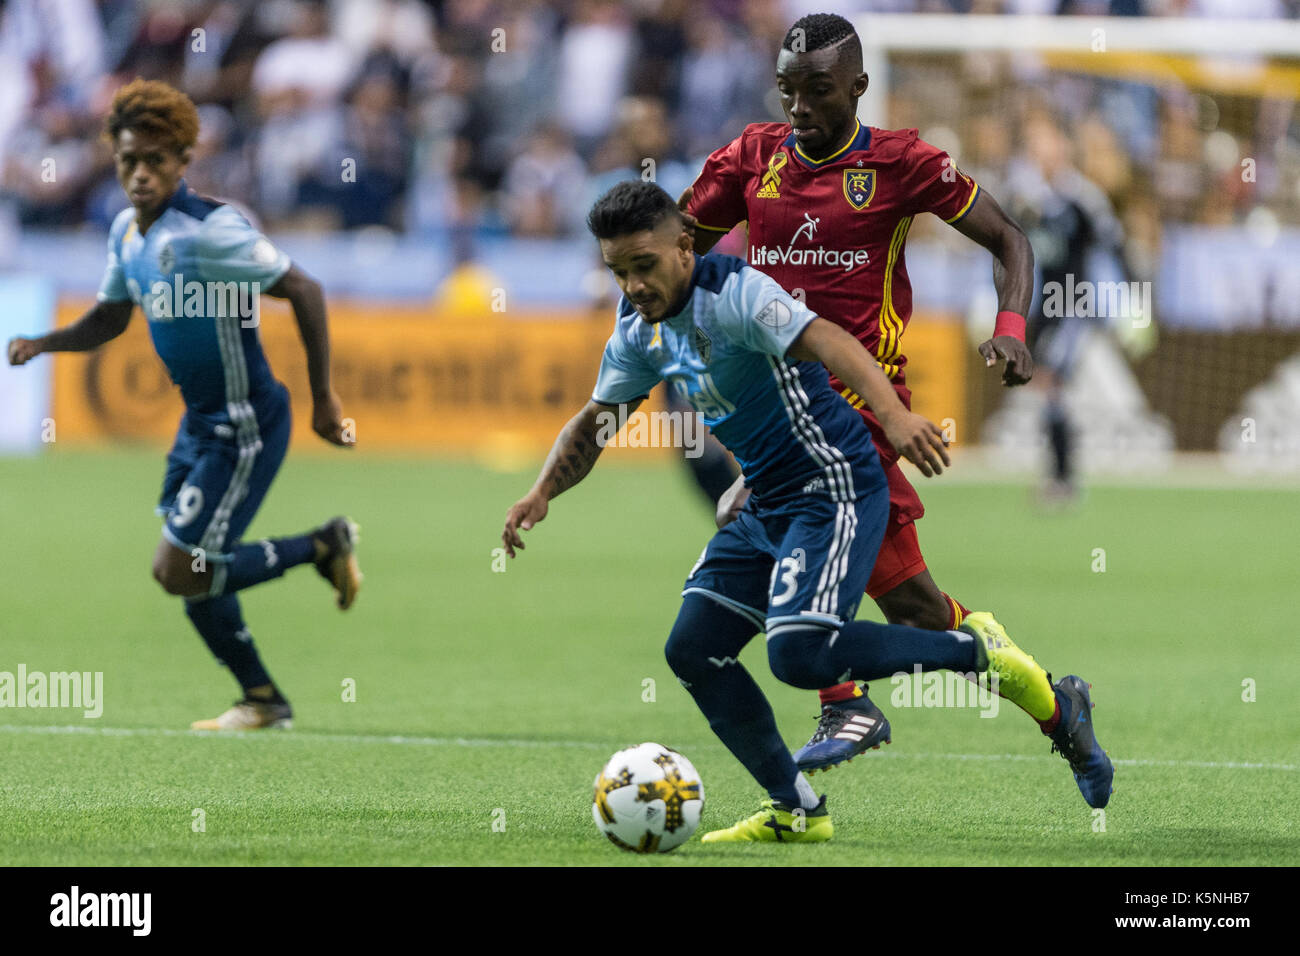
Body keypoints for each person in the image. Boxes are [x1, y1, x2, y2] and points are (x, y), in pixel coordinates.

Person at [501, 181, 1111, 843]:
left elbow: (830, 342)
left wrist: (895, 416)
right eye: (618, 272)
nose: (633, 286)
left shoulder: (735, 295)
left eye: (643, 267)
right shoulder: (638, 333)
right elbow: (596, 423)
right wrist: (540, 494)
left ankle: (971, 653)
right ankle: (797, 810)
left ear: (685, 246)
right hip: (767, 499)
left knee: (799, 655)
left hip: (835, 485)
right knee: (694, 649)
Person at [682, 12, 1082, 784]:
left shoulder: (901, 163)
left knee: (762, 544)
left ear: (859, 87)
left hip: (861, 416)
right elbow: (675, 244)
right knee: (916, 609)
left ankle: (841, 712)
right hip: (778, 413)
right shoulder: (750, 159)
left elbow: (1011, 240)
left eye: (818, 91)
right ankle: (1056, 709)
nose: (798, 108)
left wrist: (1011, 326)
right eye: (787, 90)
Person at [6, 79, 362, 731]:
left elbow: (305, 289)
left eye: (155, 161)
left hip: (246, 424)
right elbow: (112, 317)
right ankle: (262, 699)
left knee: (179, 568)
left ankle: (321, 547)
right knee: (194, 570)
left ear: (181, 161)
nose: (140, 175)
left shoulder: (213, 230)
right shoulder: (125, 232)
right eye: (127, 161)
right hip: (198, 427)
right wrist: (44, 342)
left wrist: (324, 399)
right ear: (113, 161)